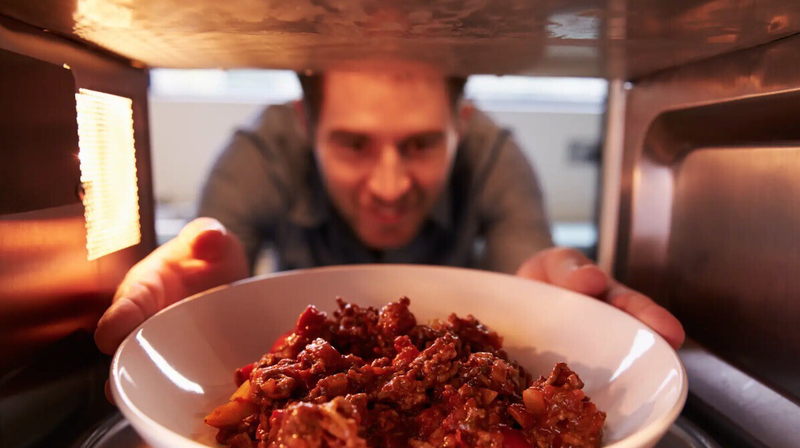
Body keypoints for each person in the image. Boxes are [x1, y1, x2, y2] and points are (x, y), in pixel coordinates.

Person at [93, 59, 684, 355]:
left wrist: (556, 302)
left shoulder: (496, 158)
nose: (390, 184)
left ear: (462, 125)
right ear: (307, 125)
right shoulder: (258, 155)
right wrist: (208, 306)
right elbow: (217, 260)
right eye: (353, 144)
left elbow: (528, 269)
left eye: (422, 144)